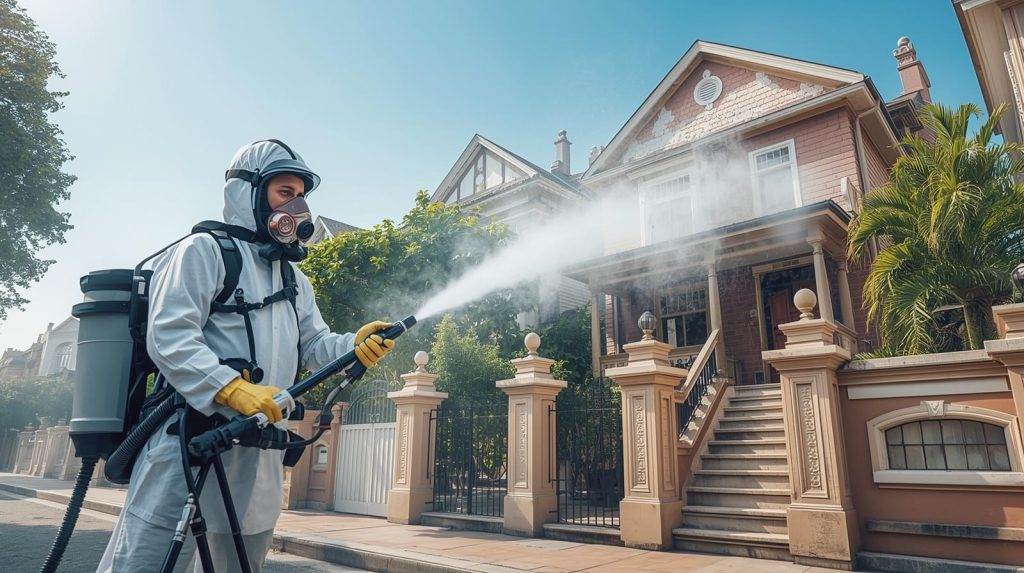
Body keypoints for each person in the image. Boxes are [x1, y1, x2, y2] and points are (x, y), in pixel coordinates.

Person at [97, 140, 394, 572]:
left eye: (301, 195)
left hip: (258, 457)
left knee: (240, 561)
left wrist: (354, 346)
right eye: (285, 192)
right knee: (146, 563)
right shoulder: (203, 250)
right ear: (248, 193)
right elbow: (170, 335)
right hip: (191, 443)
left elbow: (315, 347)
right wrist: (230, 388)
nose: (298, 206)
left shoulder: (295, 280)